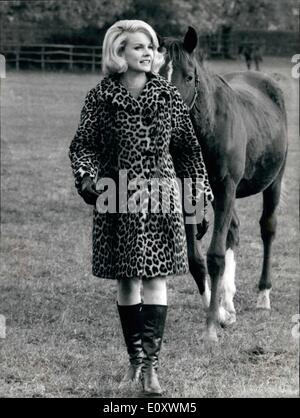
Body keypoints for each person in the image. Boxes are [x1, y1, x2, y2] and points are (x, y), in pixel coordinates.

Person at [69, 20, 213, 396]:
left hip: (161, 195)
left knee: (155, 278)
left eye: (151, 46)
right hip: (116, 195)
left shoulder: (167, 95)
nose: (149, 53)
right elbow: (84, 144)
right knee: (127, 279)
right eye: (138, 47)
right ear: (119, 52)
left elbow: (187, 151)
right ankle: (134, 359)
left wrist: (197, 198)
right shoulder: (101, 97)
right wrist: (86, 175)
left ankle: (152, 366)